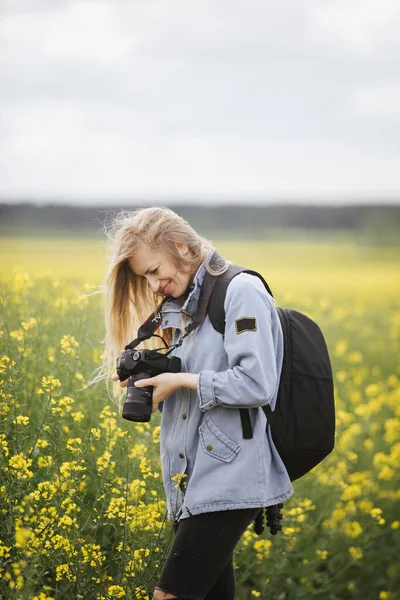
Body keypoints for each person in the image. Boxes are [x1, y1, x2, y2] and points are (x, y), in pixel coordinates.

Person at [103, 206, 294, 600]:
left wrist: (181, 380)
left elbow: (257, 383)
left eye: (154, 270)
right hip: (191, 477)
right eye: (145, 277)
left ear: (179, 247)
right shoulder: (180, 303)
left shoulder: (241, 292)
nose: (153, 284)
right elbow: (198, 372)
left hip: (229, 476)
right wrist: (155, 373)